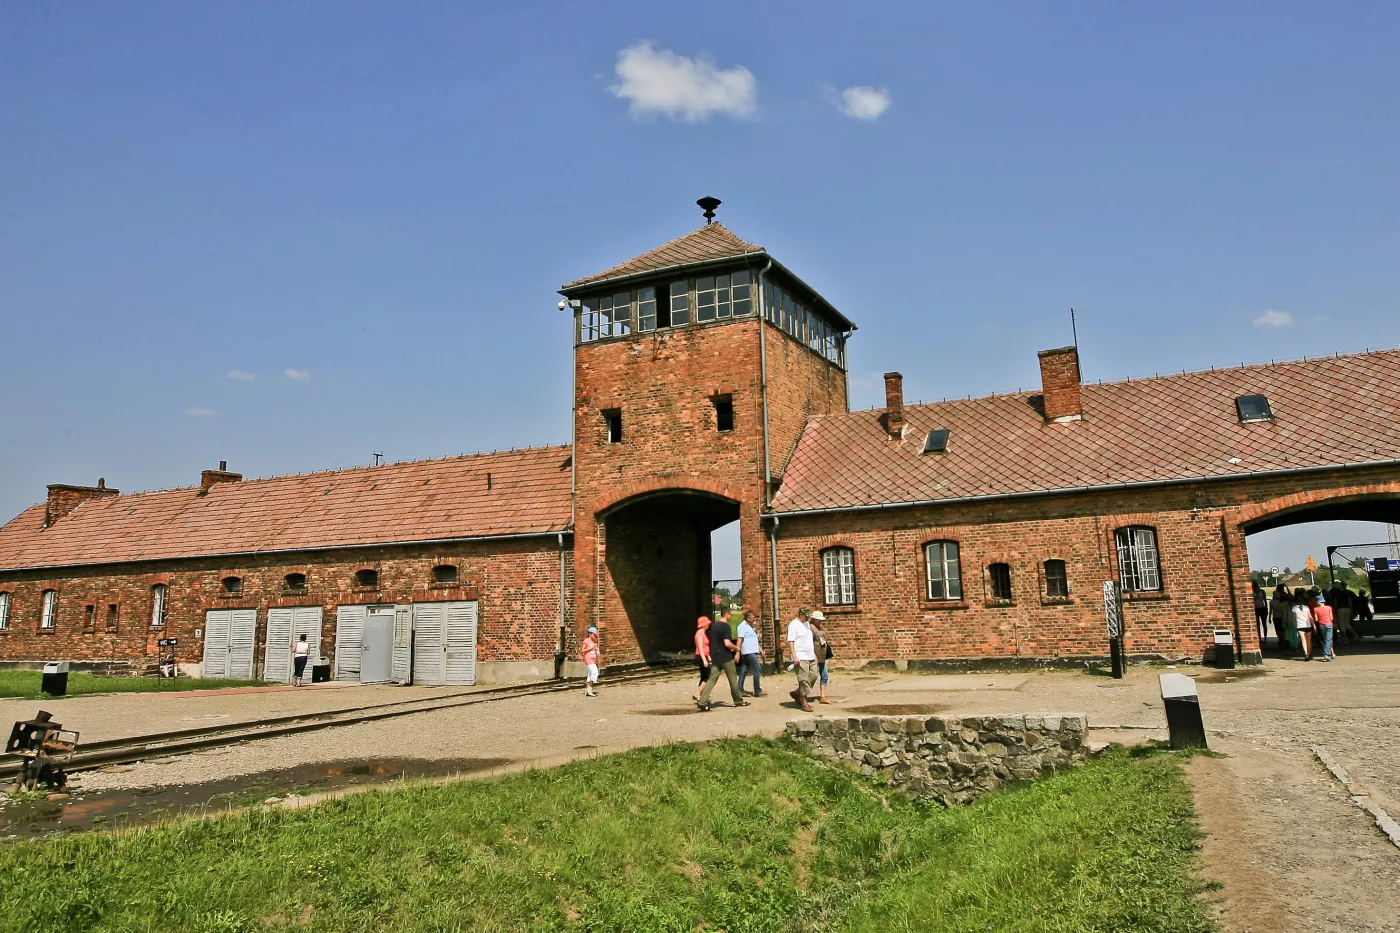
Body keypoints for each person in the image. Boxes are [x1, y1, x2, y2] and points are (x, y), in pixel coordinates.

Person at [697, 611, 747, 711]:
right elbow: (727, 643)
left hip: (715, 656)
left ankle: (702, 701)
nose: (731, 617)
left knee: (711, 679)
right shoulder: (726, 627)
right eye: (730, 615)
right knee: (732, 679)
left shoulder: (713, 626)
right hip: (726, 657)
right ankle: (738, 701)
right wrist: (736, 648)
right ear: (727, 615)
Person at [786, 607, 818, 713]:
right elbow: (791, 641)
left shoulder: (807, 624)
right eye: (806, 615)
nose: (808, 617)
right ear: (801, 614)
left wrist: (814, 654)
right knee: (803, 680)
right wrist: (794, 656)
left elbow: (809, 640)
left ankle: (797, 693)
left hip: (810, 655)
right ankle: (804, 703)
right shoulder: (793, 625)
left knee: (813, 675)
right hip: (800, 656)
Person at [735, 610, 766, 697]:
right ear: (748, 618)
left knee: (744, 670)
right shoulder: (742, 626)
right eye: (753, 618)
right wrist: (737, 652)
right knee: (757, 668)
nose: (754, 619)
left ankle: (739, 689)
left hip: (752, 650)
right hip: (748, 651)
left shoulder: (751, 627)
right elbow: (739, 640)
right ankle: (757, 690)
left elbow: (754, 640)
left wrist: (760, 649)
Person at [809, 611, 834, 704]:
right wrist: (813, 655)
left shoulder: (820, 627)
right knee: (812, 676)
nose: (820, 621)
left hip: (822, 655)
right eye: (818, 620)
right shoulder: (810, 628)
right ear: (814, 619)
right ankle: (802, 694)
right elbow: (809, 643)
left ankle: (823, 696)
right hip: (814, 656)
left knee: (824, 676)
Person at [692, 616, 712, 702]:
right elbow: (700, 647)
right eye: (707, 623)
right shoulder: (700, 633)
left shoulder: (702, 632)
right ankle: (697, 694)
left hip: (703, 656)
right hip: (701, 657)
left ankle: (701, 695)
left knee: (703, 676)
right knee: (708, 676)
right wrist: (704, 659)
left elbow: (705, 647)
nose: (709, 624)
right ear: (704, 624)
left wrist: (708, 656)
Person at [1312, 593, 1335, 661]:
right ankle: (1326, 654)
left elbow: (1316, 619)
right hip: (1329, 624)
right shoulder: (1329, 608)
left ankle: (1332, 653)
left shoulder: (1315, 609)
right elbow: (1331, 617)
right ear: (1323, 601)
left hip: (1321, 625)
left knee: (1327, 639)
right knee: (1328, 639)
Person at [1271, 585, 1294, 652]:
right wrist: (1287, 587)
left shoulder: (1277, 596)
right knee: (1284, 629)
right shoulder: (1283, 595)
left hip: (1279, 615)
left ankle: (1282, 640)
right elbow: (1291, 596)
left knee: (1280, 629)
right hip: (1283, 614)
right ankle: (1284, 641)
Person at [1291, 592, 1314, 660]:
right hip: (1308, 625)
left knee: (1303, 640)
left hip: (1300, 625)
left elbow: (1294, 619)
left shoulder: (1294, 608)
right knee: (1309, 640)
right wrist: (1314, 625)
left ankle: (1306, 653)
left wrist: (1294, 626)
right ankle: (1309, 654)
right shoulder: (1307, 608)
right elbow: (1310, 617)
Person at [582, 626, 601, 697]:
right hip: (588, 658)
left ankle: (588, 689)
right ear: (590, 634)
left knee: (590, 675)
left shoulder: (595, 641)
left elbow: (597, 651)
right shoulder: (586, 641)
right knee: (595, 673)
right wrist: (590, 648)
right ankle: (590, 687)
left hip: (593, 658)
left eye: (596, 635)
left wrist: (597, 651)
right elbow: (582, 650)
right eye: (594, 635)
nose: (595, 636)